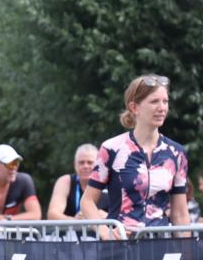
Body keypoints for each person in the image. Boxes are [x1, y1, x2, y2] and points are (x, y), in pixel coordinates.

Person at [81, 74, 190, 238]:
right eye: (154, 102)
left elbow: (180, 213)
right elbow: (87, 201)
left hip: (160, 245)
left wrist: (187, 252)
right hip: (120, 244)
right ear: (134, 107)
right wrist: (103, 230)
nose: (162, 108)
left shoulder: (177, 152)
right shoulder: (111, 148)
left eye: (165, 101)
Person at [47, 144, 109, 221]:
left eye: (90, 162)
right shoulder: (65, 181)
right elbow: (52, 215)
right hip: (72, 228)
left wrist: (107, 217)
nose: (85, 166)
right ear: (74, 165)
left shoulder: (110, 183)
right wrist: (76, 221)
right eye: (81, 162)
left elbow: (122, 216)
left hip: (104, 228)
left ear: (98, 164)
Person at [0, 144, 41, 221]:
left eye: (16, 163)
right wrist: (7, 220)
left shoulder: (23, 181)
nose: (14, 168)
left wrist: (7, 220)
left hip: (12, 228)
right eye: (10, 164)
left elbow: (35, 215)